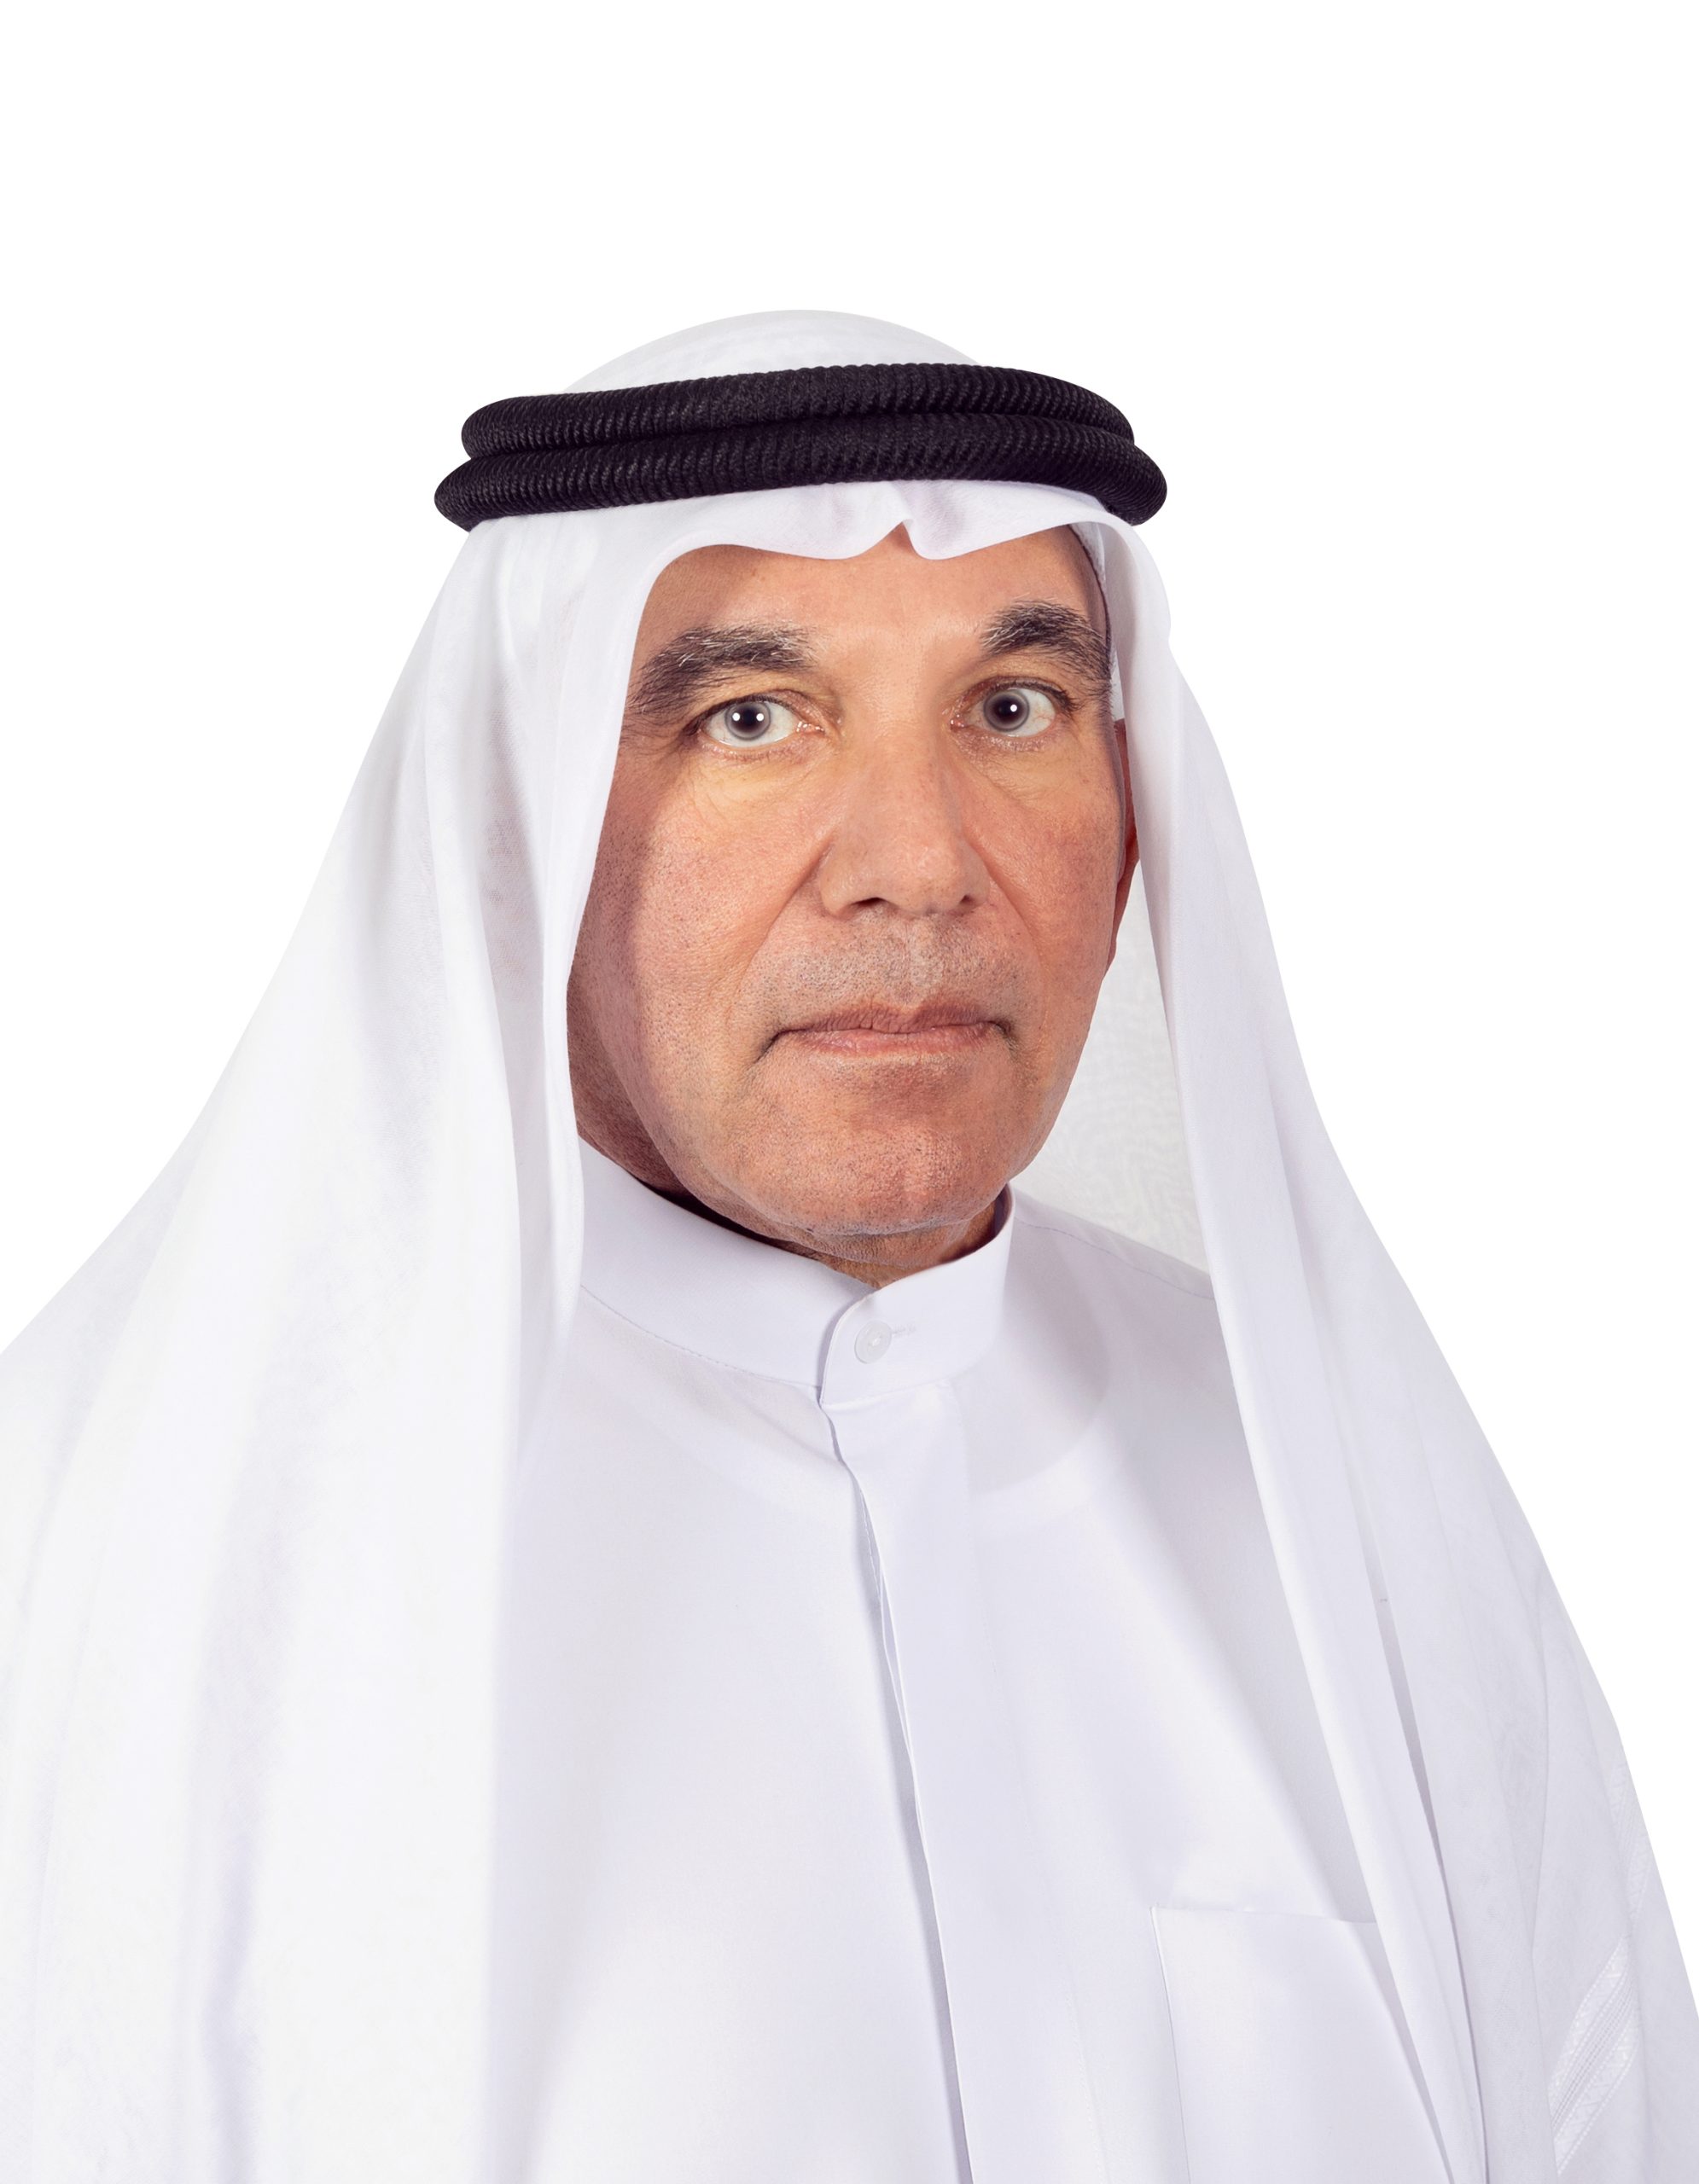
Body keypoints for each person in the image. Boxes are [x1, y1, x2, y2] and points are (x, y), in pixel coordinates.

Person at [1, 311, 1692, 2184]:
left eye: (1013, 708)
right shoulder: (107, 1549)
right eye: (751, 718)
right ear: (524, 820)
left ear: (1136, 820)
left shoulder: (1348, 1506)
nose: (917, 860)